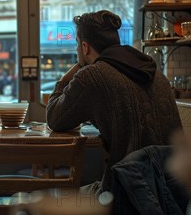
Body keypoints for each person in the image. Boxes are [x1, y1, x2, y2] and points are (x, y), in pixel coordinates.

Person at [46, 10, 181, 197]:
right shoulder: (155, 73)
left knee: (52, 199)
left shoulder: (92, 76)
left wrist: (65, 79)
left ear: (84, 47)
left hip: (125, 194)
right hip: (172, 195)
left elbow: (54, 118)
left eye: (77, 44)